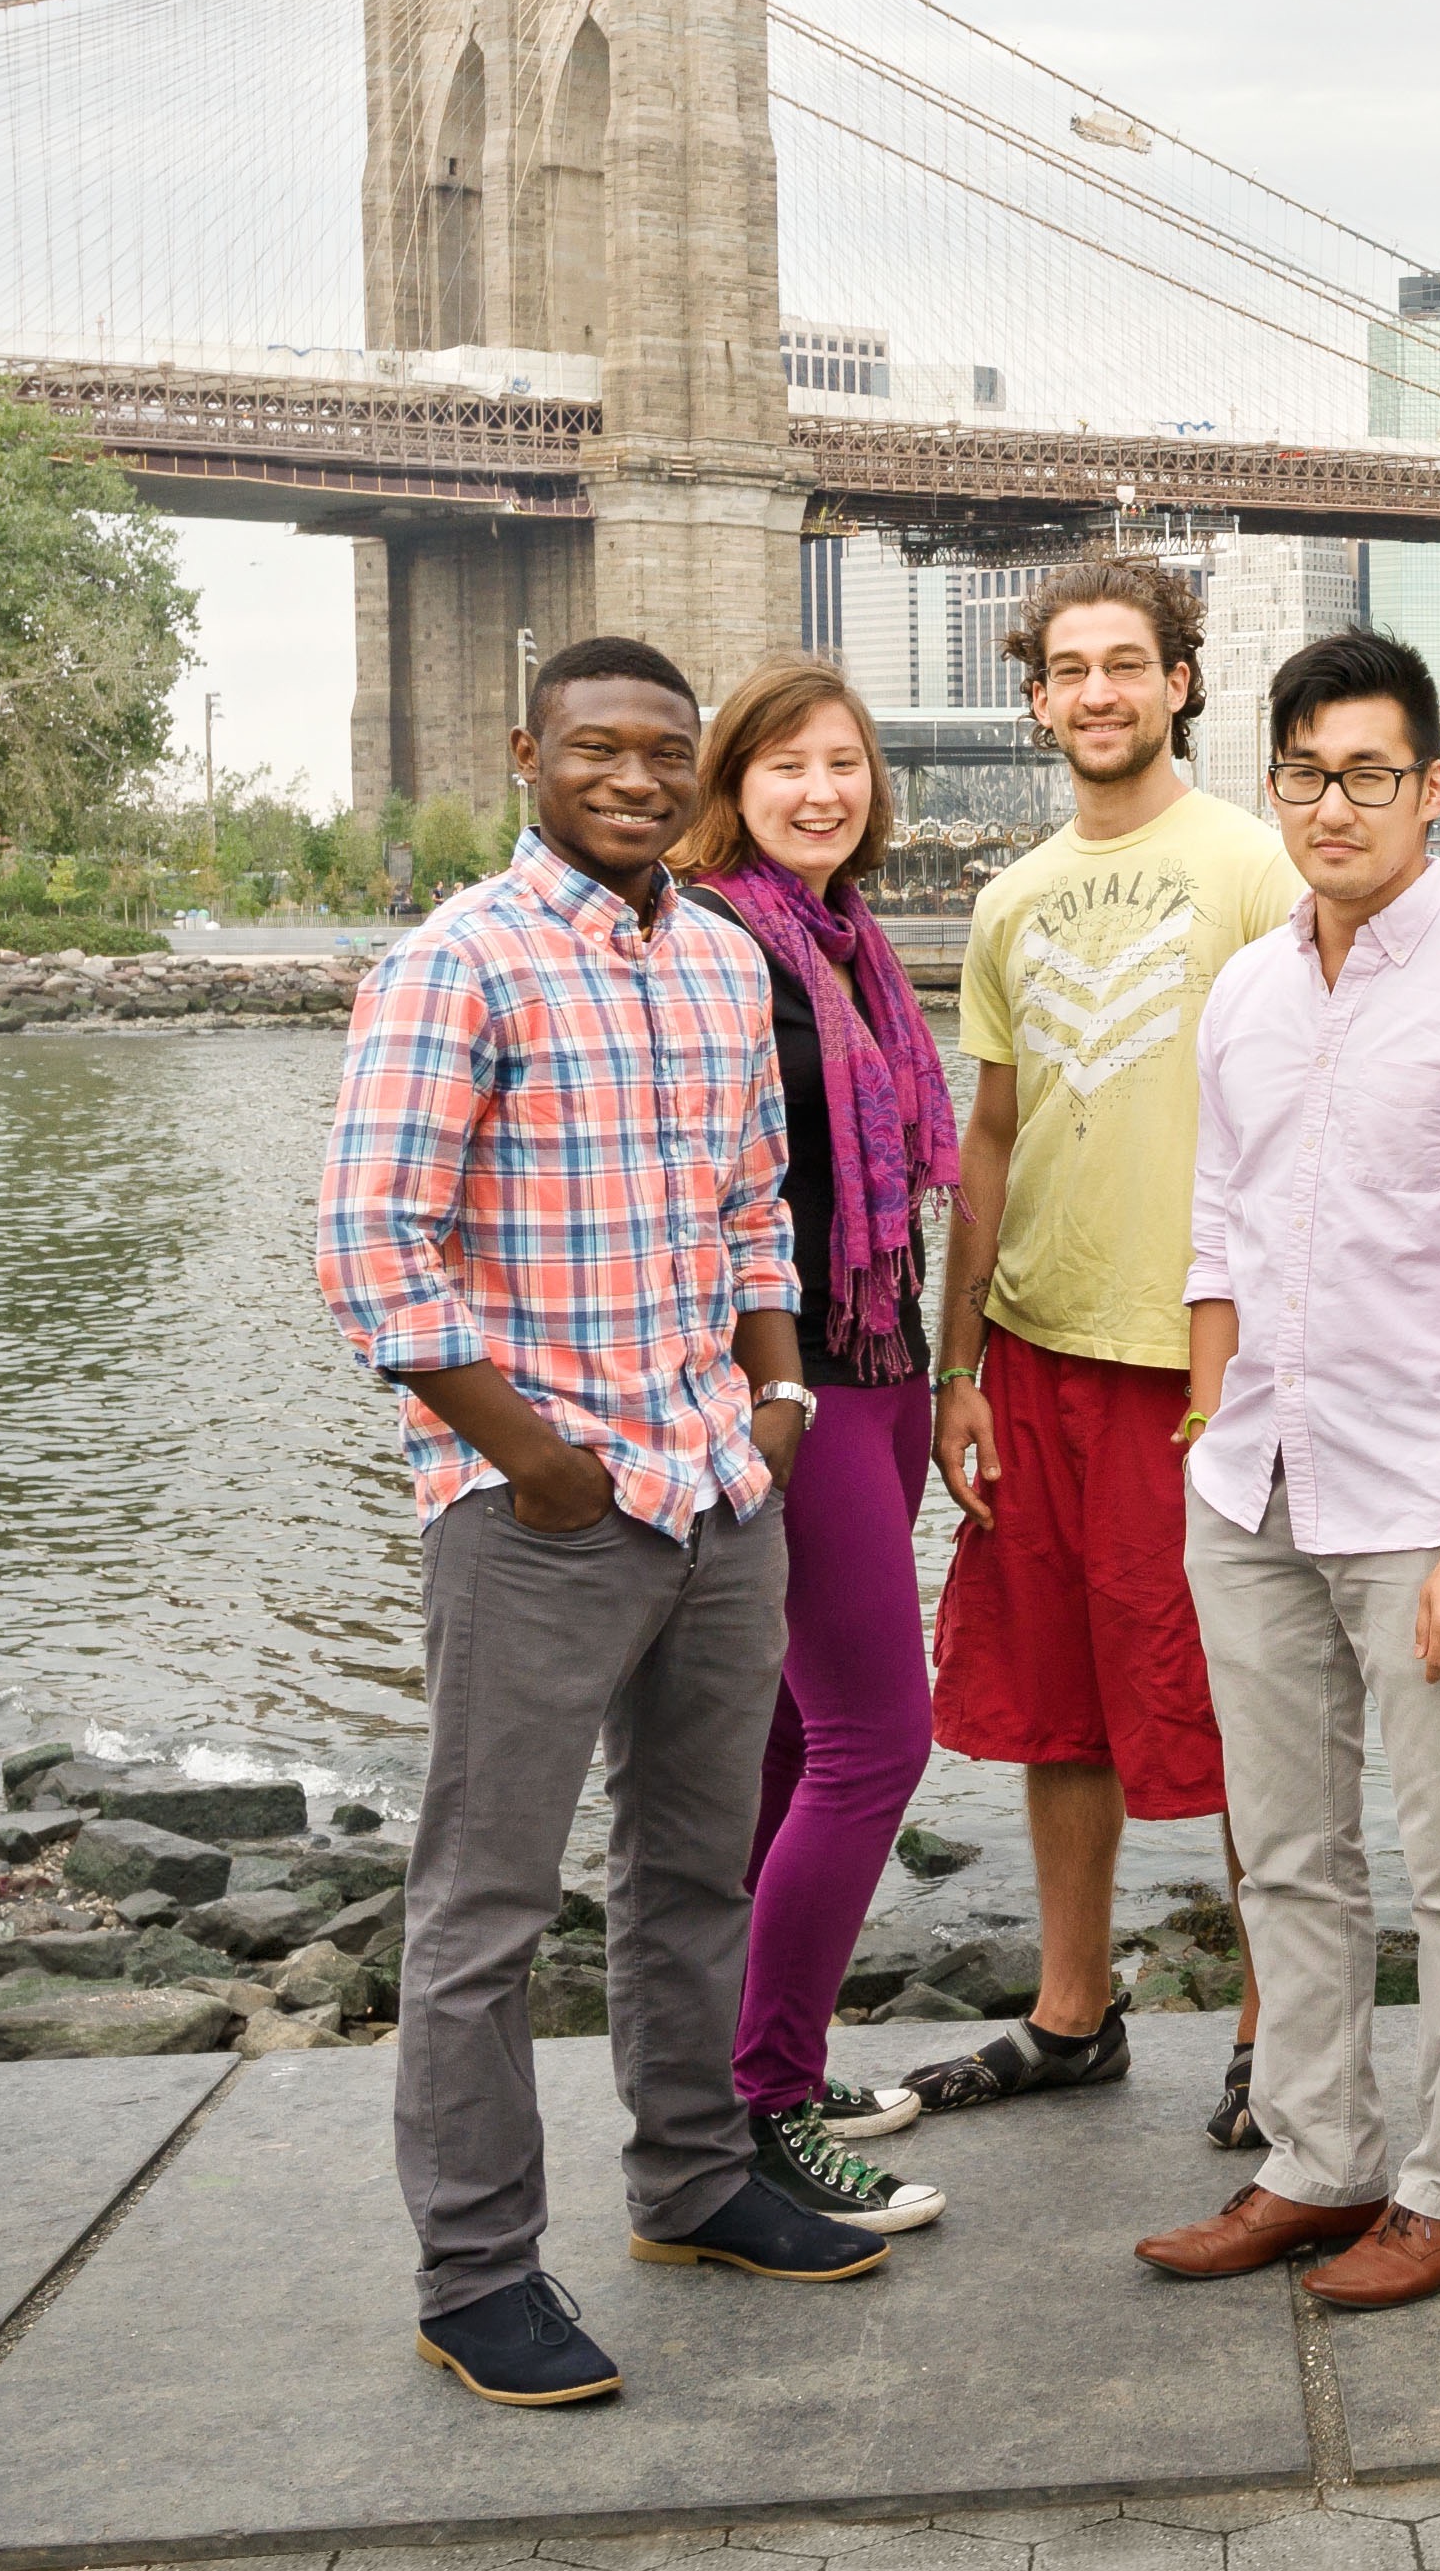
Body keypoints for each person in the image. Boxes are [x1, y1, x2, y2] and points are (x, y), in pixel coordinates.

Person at [319, 634, 892, 2412]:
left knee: (688, 1867)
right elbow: (370, 1256)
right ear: (526, 755)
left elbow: (749, 1207)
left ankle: (696, 2180)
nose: (636, 779)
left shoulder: (720, 958)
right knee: (485, 1909)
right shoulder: (457, 964)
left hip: (722, 1485)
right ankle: (476, 2273)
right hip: (541, 1513)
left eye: (664, 753)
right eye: (599, 750)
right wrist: (535, 1457)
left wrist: (782, 1397)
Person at [1133, 631, 1440, 2310]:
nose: (1337, 807)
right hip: (1251, 1485)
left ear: (1433, 787)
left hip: (1426, 1502)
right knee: (1284, 1852)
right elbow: (1219, 1228)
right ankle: (1317, 2161)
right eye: (1307, 775)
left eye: (1371, 776)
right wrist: (1204, 1421)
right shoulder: (1251, 985)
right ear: (1275, 784)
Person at [910, 560, 1299, 2122]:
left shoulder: (1259, 871)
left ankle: (1282, 2032)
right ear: (1037, 699)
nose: (1097, 694)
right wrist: (958, 1371)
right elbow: (988, 1141)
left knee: (1237, 1704)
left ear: (1181, 685)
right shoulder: (1007, 899)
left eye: (1126, 665)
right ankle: (1074, 2015)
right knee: (1058, 1702)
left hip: (1196, 1366)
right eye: (1068, 670)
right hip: (1036, 1354)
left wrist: (1265, 1367)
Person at [668, 655, 958, 2234]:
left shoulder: (847, 946)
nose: (820, 789)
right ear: (735, 781)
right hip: (792, 1380)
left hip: (882, 1355)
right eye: (785, 764)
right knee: (874, 1741)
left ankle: (752, 2056)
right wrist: (761, 1393)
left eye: (843, 762)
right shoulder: (715, 935)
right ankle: (764, 2111)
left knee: (793, 1744)